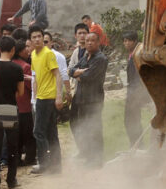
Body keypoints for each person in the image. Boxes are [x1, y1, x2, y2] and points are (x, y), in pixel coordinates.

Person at [0, 36, 24, 189]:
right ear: (13, 50)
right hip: (9, 108)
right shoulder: (17, 69)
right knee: (12, 145)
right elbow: (21, 92)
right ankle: (11, 179)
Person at [68, 33, 108, 168]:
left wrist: (78, 74)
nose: (89, 43)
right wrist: (79, 72)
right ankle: (89, 156)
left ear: (98, 43)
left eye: (92, 40)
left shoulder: (100, 59)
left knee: (94, 129)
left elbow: (88, 77)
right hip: (81, 98)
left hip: (93, 100)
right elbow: (70, 70)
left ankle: (97, 160)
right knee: (84, 127)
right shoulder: (86, 56)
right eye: (87, 41)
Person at [29, 25, 63, 174]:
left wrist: (59, 96)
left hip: (48, 98)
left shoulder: (48, 54)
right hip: (41, 98)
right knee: (51, 133)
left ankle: (44, 164)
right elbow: (36, 78)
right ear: (30, 40)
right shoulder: (33, 56)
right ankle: (56, 166)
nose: (37, 39)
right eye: (34, 37)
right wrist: (35, 98)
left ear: (43, 38)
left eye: (39, 36)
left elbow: (58, 75)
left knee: (38, 132)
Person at [12, 39, 37, 166]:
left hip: (12, 105)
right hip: (25, 105)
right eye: (25, 49)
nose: (28, 51)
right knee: (29, 135)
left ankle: (16, 159)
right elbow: (31, 86)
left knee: (16, 136)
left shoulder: (10, 64)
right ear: (20, 52)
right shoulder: (25, 67)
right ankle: (30, 158)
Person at [123, 31, 146, 147]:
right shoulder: (132, 53)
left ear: (134, 41)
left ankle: (137, 145)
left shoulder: (138, 53)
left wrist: (135, 95)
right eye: (124, 41)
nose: (125, 43)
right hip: (132, 91)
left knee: (131, 120)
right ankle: (136, 145)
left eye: (128, 40)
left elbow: (139, 77)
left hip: (136, 92)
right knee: (130, 120)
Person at [44, 31, 71, 102]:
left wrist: (68, 92)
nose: (43, 44)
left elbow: (64, 74)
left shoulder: (58, 56)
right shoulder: (36, 56)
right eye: (42, 42)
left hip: (55, 96)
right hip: (41, 96)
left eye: (46, 42)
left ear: (51, 43)